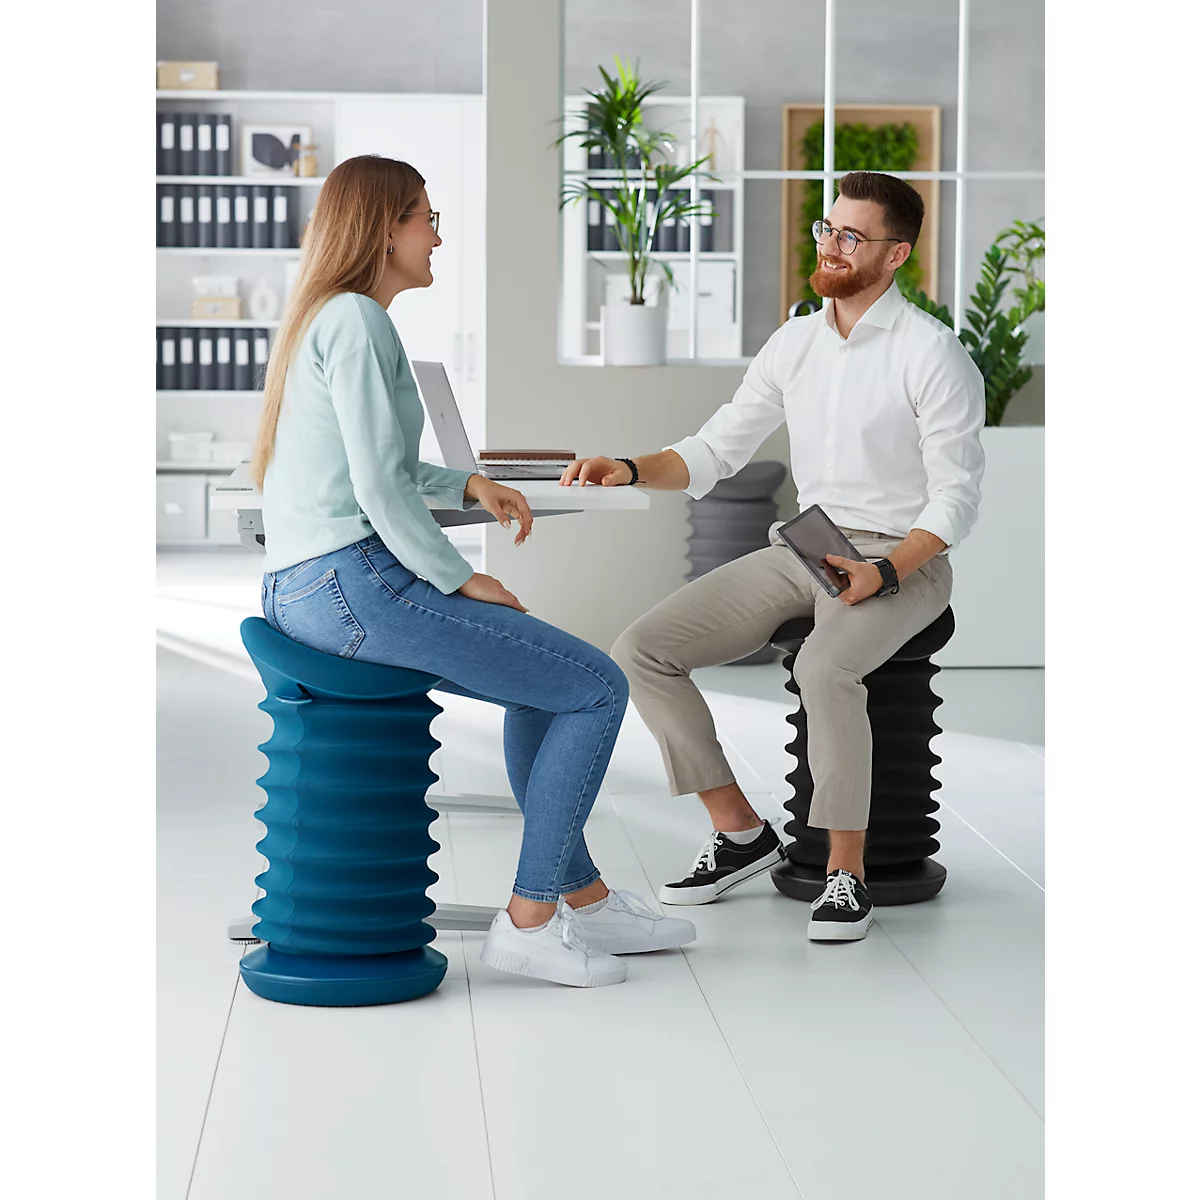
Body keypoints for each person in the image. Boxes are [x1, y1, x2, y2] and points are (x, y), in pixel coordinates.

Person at [250, 154, 695, 987]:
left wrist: (466, 483)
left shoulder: (332, 318)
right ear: (386, 229)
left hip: (311, 588)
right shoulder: (358, 320)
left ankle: (587, 900)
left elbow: (376, 466)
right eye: (426, 217)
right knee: (597, 686)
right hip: (349, 586)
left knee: (547, 681)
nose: (438, 235)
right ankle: (530, 921)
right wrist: (459, 578)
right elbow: (378, 489)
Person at [561, 171, 985, 942]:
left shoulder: (933, 354)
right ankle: (742, 833)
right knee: (643, 649)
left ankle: (846, 874)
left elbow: (955, 501)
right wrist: (627, 467)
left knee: (825, 668)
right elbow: (714, 451)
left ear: (896, 256)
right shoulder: (794, 343)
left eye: (850, 236)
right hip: (810, 544)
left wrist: (885, 571)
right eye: (827, 229)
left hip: (905, 558)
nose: (829, 245)